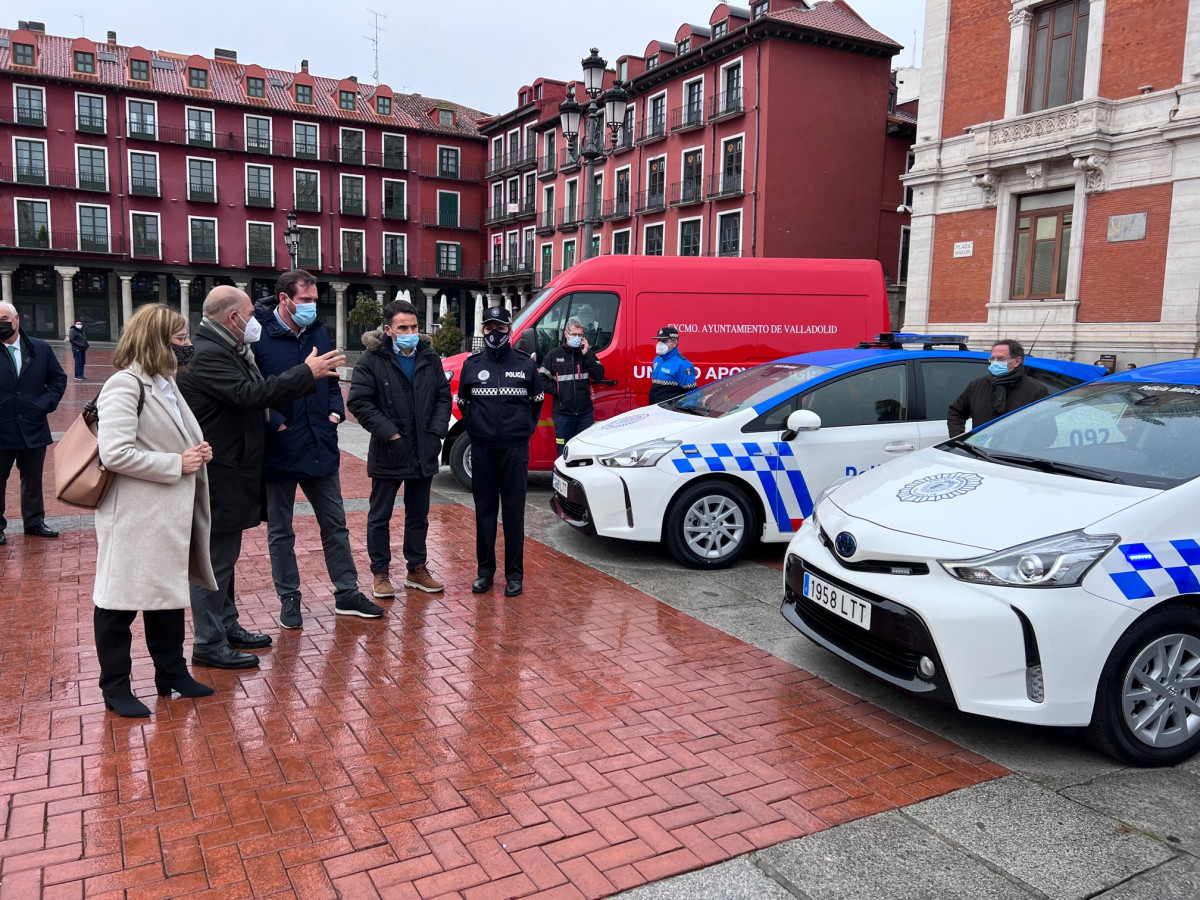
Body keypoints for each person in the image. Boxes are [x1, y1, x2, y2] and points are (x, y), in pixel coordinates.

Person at [177, 286, 348, 670]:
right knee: (214, 562)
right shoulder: (208, 354)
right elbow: (251, 393)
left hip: (233, 469)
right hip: (219, 473)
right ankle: (208, 642)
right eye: (251, 313)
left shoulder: (227, 348)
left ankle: (227, 625)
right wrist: (307, 373)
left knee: (227, 558)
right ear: (234, 318)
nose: (257, 319)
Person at [92, 304, 216, 717]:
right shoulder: (124, 385)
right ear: (157, 341)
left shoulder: (165, 382)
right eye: (180, 339)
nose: (187, 345)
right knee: (117, 604)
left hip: (166, 516)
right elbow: (114, 454)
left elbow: (172, 438)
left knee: (166, 597)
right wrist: (176, 463)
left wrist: (195, 452)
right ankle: (115, 686)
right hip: (134, 515)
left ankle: (172, 674)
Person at [251, 270, 383, 629]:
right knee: (281, 530)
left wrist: (335, 413)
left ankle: (347, 593)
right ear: (285, 299)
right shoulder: (257, 336)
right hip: (277, 448)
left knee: (335, 523)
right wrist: (275, 422)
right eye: (305, 300)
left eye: (313, 300)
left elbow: (329, 376)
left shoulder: (317, 331)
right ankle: (289, 598)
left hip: (319, 443)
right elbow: (253, 388)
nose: (311, 306)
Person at [348, 299, 452, 598]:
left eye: (414, 327)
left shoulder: (429, 356)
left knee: (418, 514)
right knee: (380, 516)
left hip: (424, 448)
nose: (410, 332)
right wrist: (391, 434)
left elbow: (443, 397)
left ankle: (416, 568)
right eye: (403, 327)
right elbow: (359, 402)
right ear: (388, 330)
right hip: (389, 450)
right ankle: (380, 572)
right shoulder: (372, 359)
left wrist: (435, 432)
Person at [458, 305, 542, 597]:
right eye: (489, 328)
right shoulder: (472, 365)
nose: (495, 333)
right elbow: (464, 404)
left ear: (510, 330)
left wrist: (523, 431)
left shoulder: (525, 365)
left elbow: (536, 403)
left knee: (513, 513)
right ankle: (485, 573)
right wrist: (476, 430)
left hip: (514, 450)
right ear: (483, 331)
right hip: (482, 450)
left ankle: (514, 575)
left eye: (501, 328)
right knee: (484, 513)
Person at [0, 302, 67, 544]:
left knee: (33, 478)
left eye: (4, 319)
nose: (1, 325)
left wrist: (44, 405)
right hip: (2, 428)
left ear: (16, 320)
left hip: (33, 426)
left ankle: (34, 522)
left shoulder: (40, 348)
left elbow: (58, 379)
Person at [947, 339, 1048, 437]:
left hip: (1013, 452)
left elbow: (1045, 430)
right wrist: (958, 438)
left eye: (1000, 359)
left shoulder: (1035, 390)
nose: (995, 363)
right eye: (992, 358)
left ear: (1017, 361)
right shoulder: (977, 385)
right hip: (978, 450)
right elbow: (956, 412)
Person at [540, 316, 605, 455]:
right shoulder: (553, 355)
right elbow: (542, 380)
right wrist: (560, 391)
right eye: (574, 334)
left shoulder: (587, 354)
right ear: (566, 334)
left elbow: (599, 375)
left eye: (580, 335)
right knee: (563, 452)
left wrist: (586, 354)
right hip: (563, 415)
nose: (577, 337)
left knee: (585, 452)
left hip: (584, 414)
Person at [648, 326, 697, 404]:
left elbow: (691, 395)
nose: (660, 344)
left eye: (664, 341)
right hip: (654, 409)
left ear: (674, 343)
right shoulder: (657, 359)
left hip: (669, 412)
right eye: (659, 340)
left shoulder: (683, 364)